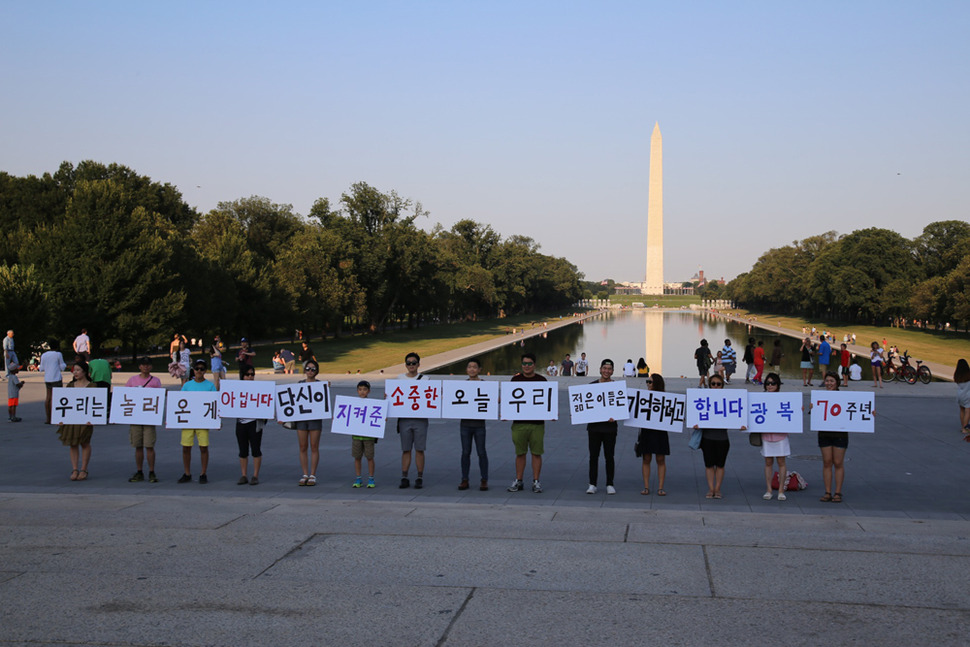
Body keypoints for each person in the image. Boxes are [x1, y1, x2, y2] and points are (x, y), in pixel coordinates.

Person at [507, 352, 546, 494]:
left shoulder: (542, 380)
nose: (527, 366)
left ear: (534, 365)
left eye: (529, 363)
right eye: (524, 363)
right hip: (519, 423)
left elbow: (547, 401)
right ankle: (519, 480)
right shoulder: (515, 380)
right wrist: (506, 412)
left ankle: (536, 481)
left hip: (537, 424)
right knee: (520, 453)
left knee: (536, 453)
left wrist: (551, 413)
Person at [178, 359, 217, 484]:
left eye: (202, 368)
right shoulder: (187, 385)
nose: (199, 371)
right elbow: (179, 403)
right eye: (197, 368)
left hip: (203, 421)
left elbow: (215, 404)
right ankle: (187, 472)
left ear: (205, 371)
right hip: (188, 421)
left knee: (203, 447)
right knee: (186, 447)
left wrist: (216, 420)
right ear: (193, 370)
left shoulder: (210, 386)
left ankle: (203, 473)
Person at [57, 360, 95, 481]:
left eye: (78, 370)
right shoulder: (70, 386)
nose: (76, 373)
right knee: (73, 443)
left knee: (84, 442)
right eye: (74, 370)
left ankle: (84, 469)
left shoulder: (92, 386)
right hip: (72, 419)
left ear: (85, 371)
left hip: (86, 419)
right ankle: (74, 469)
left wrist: (94, 418)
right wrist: (61, 418)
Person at [126, 357, 162, 483]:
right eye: (143, 364)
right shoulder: (132, 380)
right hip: (136, 418)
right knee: (138, 446)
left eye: (148, 365)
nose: (145, 367)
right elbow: (125, 396)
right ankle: (139, 471)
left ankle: (152, 471)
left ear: (151, 367)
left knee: (149, 445)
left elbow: (159, 399)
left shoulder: (155, 381)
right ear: (139, 366)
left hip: (149, 418)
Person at [693, 375, 730, 499]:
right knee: (708, 465)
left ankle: (717, 489)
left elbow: (735, 416)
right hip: (707, 438)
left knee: (720, 465)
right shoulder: (703, 398)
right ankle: (711, 488)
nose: (715, 386)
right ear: (709, 385)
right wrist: (695, 424)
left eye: (718, 384)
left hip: (722, 438)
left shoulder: (728, 399)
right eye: (713, 384)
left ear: (722, 386)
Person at [586, 359, 618, 495]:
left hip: (610, 428)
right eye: (604, 368)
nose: (606, 371)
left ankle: (610, 484)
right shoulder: (591, 386)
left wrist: (615, 415)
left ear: (612, 371)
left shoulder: (617, 388)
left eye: (609, 369)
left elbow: (621, 408)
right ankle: (592, 484)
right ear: (600, 369)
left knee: (609, 456)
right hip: (594, 428)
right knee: (593, 456)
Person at [397, 352, 428, 489]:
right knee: (406, 449)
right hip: (405, 418)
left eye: (414, 363)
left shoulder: (426, 379)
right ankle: (404, 476)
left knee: (420, 449)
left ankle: (419, 476)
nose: (411, 365)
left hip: (420, 418)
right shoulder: (399, 379)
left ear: (418, 365)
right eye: (408, 363)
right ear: (405, 365)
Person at [816, 371, 848, 503]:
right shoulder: (820, 397)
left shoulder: (844, 397)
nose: (829, 384)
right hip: (824, 434)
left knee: (838, 463)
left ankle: (838, 492)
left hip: (840, 434)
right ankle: (828, 491)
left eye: (831, 381)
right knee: (827, 462)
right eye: (827, 381)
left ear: (837, 383)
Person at [458, 358, 488, 491]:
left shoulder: (485, 385)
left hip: (479, 424)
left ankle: (484, 479)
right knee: (465, 452)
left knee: (481, 452)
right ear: (466, 369)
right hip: (465, 424)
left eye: (475, 367)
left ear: (480, 369)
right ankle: (465, 479)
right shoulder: (462, 386)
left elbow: (491, 399)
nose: (472, 369)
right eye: (469, 367)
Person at [759, 373, 790, 501]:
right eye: (768, 383)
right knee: (768, 462)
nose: (770, 386)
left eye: (773, 383)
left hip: (781, 435)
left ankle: (781, 490)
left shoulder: (784, 398)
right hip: (766, 435)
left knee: (781, 462)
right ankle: (769, 489)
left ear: (778, 385)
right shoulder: (760, 398)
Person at [638, 373, 670, 496]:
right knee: (646, 458)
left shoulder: (666, 398)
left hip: (660, 431)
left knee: (660, 459)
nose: (648, 384)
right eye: (647, 381)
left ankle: (660, 488)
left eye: (650, 382)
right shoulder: (643, 397)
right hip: (647, 430)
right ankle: (646, 487)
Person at [295, 360, 325, 486]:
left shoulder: (320, 385)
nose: (310, 371)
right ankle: (305, 473)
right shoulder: (299, 384)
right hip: (302, 418)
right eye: (308, 368)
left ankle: (313, 474)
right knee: (302, 446)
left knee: (314, 446)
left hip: (315, 418)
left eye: (313, 369)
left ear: (317, 371)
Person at [235, 366, 264, 485]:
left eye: (252, 374)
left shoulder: (259, 388)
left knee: (256, 449)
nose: (250, 377)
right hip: (241, 423)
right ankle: (244, 474)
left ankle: (255, 475)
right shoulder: (236, 389)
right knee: (243, 450)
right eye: (247, 375)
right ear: (242, 376)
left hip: (255, 423)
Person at [351, 380, 377, 488]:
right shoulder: (353, 404)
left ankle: (371, 478)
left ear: (369, 391)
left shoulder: (372, 404)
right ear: (357, 391)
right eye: (360, 389)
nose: (362, 392)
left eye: (365, 389)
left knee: (369, 457)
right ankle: (358, 478)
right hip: (356, 435)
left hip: (368, 436)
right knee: (357, 457)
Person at [39, 340, 67, 424]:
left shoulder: (44, 355)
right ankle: (55, 417)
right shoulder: (58, 354)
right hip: (56, 378)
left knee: (48, 398)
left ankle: (48, 418)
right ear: (57, 346)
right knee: (55, 398)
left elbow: (41, 368)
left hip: (47, 378)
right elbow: (62, 366)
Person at [954, 359, 970, 439]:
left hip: (960, 395)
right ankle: (965, 428)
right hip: (968, 395)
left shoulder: (957, 375)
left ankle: (962, 427)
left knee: (962, 410)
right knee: (968, 411)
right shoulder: (968, 375)